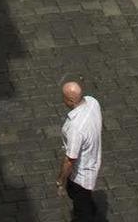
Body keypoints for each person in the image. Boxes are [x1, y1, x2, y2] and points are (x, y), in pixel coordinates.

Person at [57, 81, 102, 217]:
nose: (62, 100)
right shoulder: (93, 102)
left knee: (82, 208)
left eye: (63, 97)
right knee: (84, 199)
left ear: (70, 100)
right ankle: (91, 208)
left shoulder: (75, 128)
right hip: (94, 160)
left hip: (81, 176)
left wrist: (61, 180)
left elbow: (70, 159)